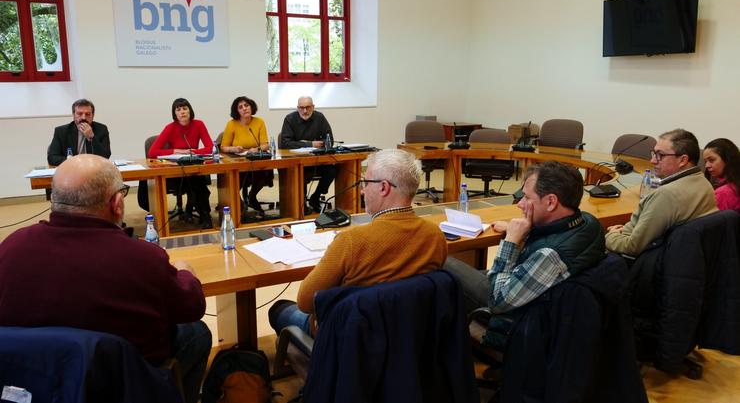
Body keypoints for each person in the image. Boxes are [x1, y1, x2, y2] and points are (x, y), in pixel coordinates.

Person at [0, 155, 211, 403]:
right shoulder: (141, 257)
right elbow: (191, 307)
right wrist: (185, 272)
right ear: (117, 203)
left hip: (33, 384)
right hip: (123, 384)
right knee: (196, 333)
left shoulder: (11, 246)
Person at [268, 149, 448, 334]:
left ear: (383, 187)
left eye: (366, 182)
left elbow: (305, 302)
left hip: (353, 340)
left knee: (280, 309)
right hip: (409, 335)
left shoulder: (351, 241)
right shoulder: (435, 236)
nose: (362, 190)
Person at [444, 161, 605, 314]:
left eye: (527, 198)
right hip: (534, 291)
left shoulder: (550, 255)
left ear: (551, 202)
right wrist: (521, 230)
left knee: (442, 262)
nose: (520, 204)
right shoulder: (588, 222)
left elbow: (497, 301)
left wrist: (511, 241)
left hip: (514, 319)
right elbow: (555, 233)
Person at [605, 129, 717, 256]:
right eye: (653, 153)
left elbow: (632, 246)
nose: (652, 161)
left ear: (683, 160)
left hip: (647, 264)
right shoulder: (704, 183)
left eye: (660, 155)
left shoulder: (666, 195)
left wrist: (611, 235)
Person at [148, 98, 215, 229]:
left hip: (194, 167)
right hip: (175, 171)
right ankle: (198, 212)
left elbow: (210, 148)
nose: (182, 112)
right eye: (178, 110)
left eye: (185, 108)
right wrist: (175, 151)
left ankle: (205, 215)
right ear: (175, 114)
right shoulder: (170, 128)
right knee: (196, 185)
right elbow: (152, 152)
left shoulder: (199, 124)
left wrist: (192, 152)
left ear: (190, 110)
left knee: (199, 185)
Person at [220, 96, 274, 220]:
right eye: (240, 107)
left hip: (255, 160)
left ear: (251, 107)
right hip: (237, 161)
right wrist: (233, 149)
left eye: (246, 105)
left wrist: (257, 149)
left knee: (265, 172)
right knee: (233, 182)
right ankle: (239, 204)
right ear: (237, 111)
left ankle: (252, 196)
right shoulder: (232, 124)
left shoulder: (259, 122)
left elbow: (265, 144)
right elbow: (223, 147)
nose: (244, 108)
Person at [280, 96, 337, 213]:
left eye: (308, 107)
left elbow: (329, 140)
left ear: (313, 107)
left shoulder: (319, 117)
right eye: (301, 108)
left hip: (317, 161)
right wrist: (310, 144)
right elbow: (285, 143)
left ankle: (315, 197)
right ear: (297, 108)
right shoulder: (289, 119)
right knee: (300, 173)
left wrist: (320, 145)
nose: (305, 111)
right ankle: (301, 202)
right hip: (297, 162)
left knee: (332, 170)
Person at [47, 98, 111, 166]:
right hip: (71, 170)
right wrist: (75, 161)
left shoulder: (101, 129)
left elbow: (105, 156)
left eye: (88, 114)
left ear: (93, 115)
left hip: (93, 169)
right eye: (79, 114)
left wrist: (92, 137)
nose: (83, 117)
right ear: (73, 115)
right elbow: (52, 158)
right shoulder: (61, 131)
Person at [703, 138, 740, 212]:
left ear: (727, 159)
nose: (707, 166)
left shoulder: (723, 193)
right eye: (705, 162)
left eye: (711, 160)